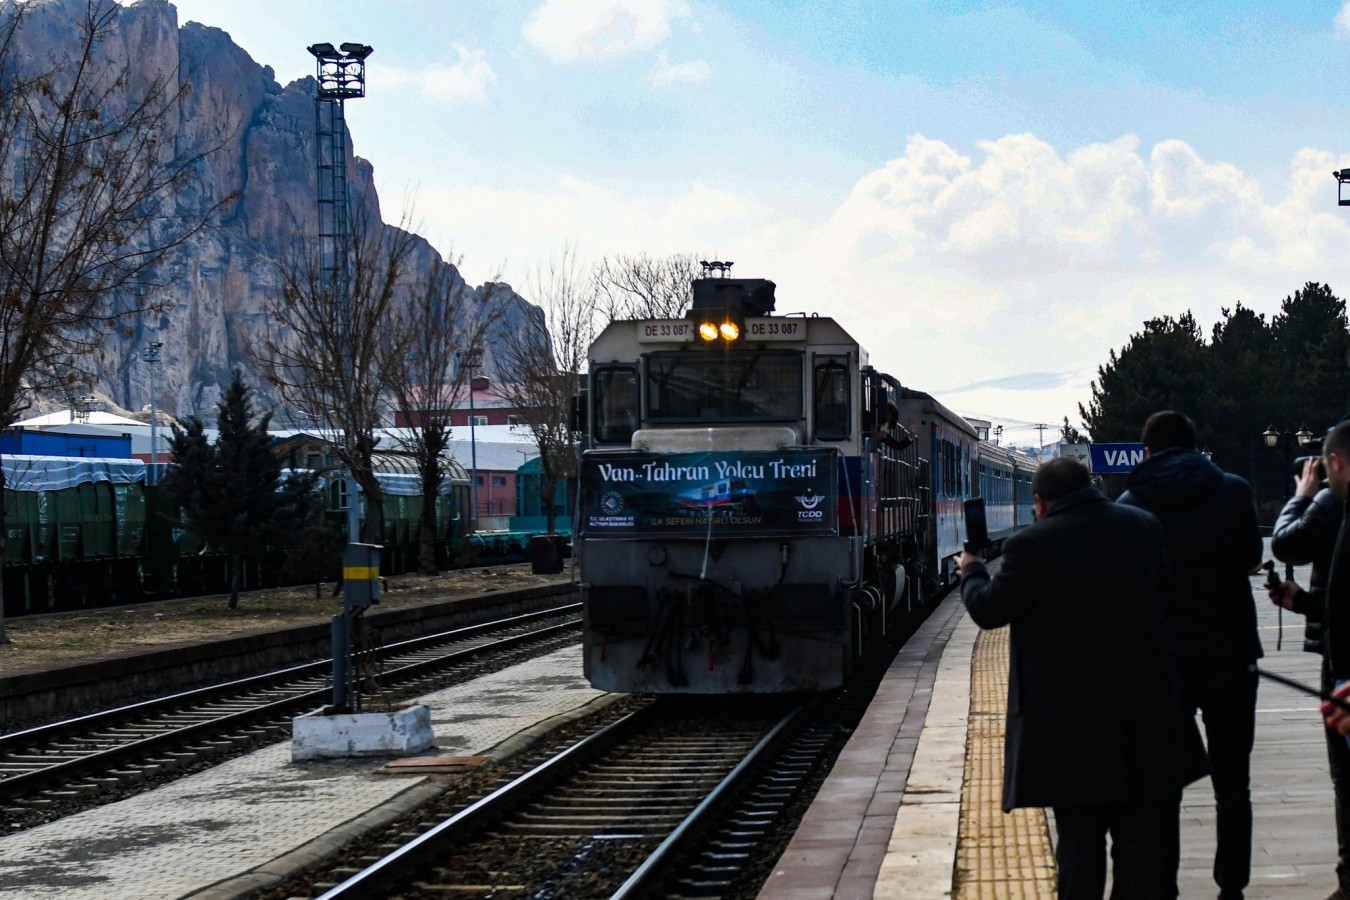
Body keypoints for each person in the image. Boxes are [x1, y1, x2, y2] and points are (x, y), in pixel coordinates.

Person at [957, 456, 1206, 899]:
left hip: (1070, 730)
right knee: (1140, 849)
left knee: (1079, 845)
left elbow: (990, 610)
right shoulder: (1142, 526)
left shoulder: (1031, 545)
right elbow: (1164, 591)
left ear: (1040, 502)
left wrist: (972, 569)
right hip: (1142, 720)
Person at [1117, 410, 1263, 900]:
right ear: (1196, 447)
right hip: (1231, 652)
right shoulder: (1235, 490)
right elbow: (1248, 559)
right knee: (1233, 783)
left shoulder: (1132, 503)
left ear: (1148, 451)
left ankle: (1165, 887)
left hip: (1165, 662)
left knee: (1164, 784)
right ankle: (1232, 887)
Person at [1272, 453, 1350, 900]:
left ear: (1336, 461)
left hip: (1344, 664)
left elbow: (1285, 542)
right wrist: (1301, 603)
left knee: (1347, 777)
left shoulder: (1333, 500)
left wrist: (1302, 493)